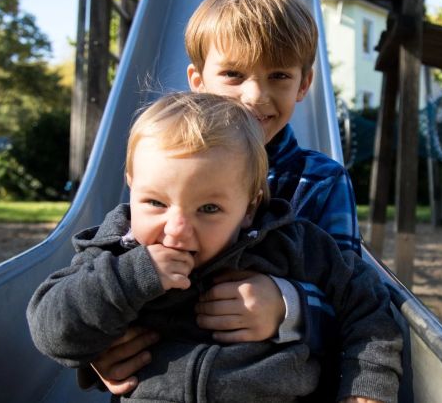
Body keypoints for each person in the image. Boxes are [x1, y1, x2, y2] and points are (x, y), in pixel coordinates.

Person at [91, 0, 368, 398]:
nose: (255, 96)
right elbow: (109, 269)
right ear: (198, 80)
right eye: (233, 75)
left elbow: (355, 304)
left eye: (278, 75)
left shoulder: (319, 181)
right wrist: (96, 347)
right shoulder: (168, 165)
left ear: (304, 83)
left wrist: (288, 306)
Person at [27, 92, 401, 402]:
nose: (176, 231)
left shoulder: (289, 244)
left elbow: (367, 306)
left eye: (209, 209)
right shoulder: (114, 254)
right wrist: (128, 279)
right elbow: (51, 330)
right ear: (131, 185)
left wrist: (366, 388)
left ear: (249, 208)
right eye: (155, 203)